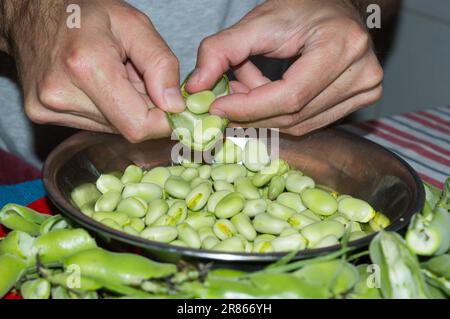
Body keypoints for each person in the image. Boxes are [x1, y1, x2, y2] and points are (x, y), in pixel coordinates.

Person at [0, 0, 399, 167]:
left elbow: (380, 6)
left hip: (277, 148)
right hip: (22, 167)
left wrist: (351, 9)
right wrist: (34, 15)